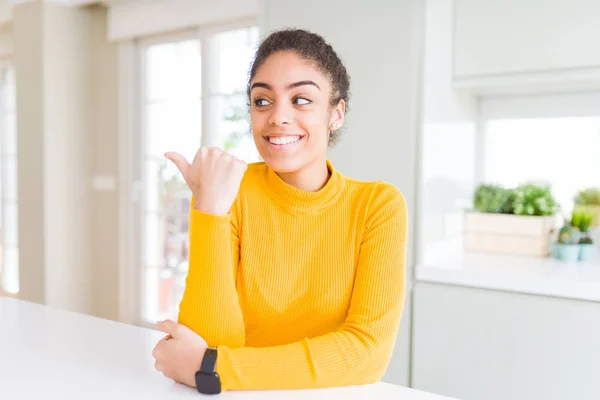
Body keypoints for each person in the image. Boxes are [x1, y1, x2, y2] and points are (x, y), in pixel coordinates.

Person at [151, 28, 408, 394]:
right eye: (262, 101)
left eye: (301, 100)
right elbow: (209, 338)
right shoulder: (227, 190)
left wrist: (213, 369)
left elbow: (367, 353)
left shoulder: (377, 207)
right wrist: (209, 209)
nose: (277, 117)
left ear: (336, 114)